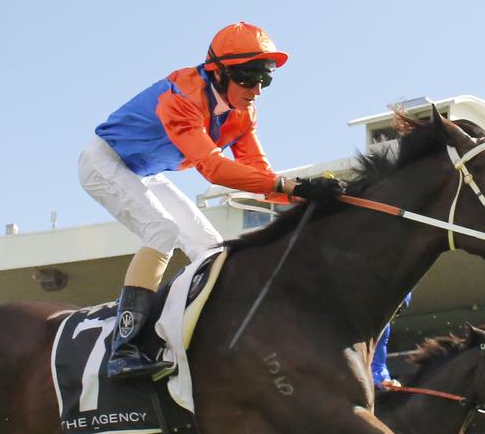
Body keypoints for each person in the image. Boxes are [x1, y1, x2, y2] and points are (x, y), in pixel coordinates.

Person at [80, 22, 345, 379]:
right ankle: (123, 348)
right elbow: (214, 169)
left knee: (211, 249)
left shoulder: (244, 114)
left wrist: (308, 197)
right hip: (104, 161)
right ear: (217, 73)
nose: (256, 91)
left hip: (143, 172)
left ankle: (201, 338)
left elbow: (260, 176)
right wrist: (293, 186)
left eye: (265, 80)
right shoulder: (180, 98)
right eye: (248, 78)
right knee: (162, 230)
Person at [372, 293, 412, 389]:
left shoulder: (384, 328)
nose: (393, 315)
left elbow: (378, 364)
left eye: (399, 311)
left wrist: (384, 380)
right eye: (393, 309)